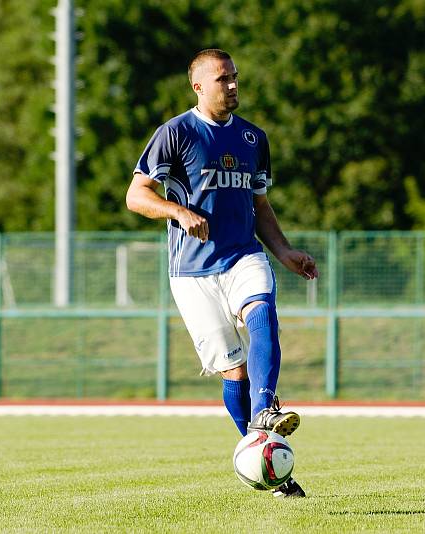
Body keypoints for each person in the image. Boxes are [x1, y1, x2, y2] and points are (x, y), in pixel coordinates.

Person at [126, 48, 318, 498]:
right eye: (222, 80)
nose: (232, 85)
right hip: (191, 272)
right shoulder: (175, 134)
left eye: (234, 77)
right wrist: (175, 210)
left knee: (262, 311)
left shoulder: (254, 139)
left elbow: (260, 206)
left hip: (243, 255)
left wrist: (285, 251)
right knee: (234, 374)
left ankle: (266, 409)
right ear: (198, 86)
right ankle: (266, 462)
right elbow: (136, 195)